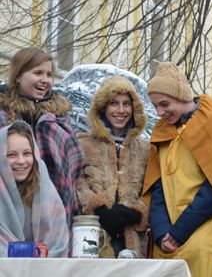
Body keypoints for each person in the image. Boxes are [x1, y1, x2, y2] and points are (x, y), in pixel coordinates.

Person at [142, 62, 212, 276]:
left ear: (181, 96)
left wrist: (180, 231)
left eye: (165, 104)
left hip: (205, 226)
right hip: (169, 232)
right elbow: (157, 186)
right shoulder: (162, 130)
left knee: (201, 252)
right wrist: (161, 233)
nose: (159, 112)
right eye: (155, 105)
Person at [0, 47, 85, 226]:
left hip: (54, 214)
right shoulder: (3, 115)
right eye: (38, 73)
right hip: (7, 212)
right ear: (18, 75)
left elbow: (75, 166)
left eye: (49, 74)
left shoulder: (60, 118)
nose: (45, 80)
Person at [76, 76, 151, 258]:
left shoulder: (146, 148)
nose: (121, 110)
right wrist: (99, 209)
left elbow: (153, 188)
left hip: (133, 239)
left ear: (134, 108)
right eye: (113, 103)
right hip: (94, 236)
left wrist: (136, 212)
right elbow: (77, 183)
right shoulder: (82, 143)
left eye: (126, 104)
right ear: (102, 107)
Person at [0, 121, 69, 257]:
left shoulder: (48, 193)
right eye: (11, 155)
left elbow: (58, 246)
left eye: (27, 153)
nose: (21, 161)